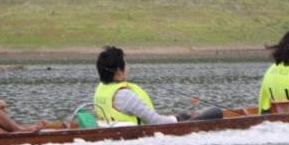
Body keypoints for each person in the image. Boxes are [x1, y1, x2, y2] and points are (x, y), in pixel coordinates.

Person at [93, 46, 221, 125]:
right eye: (126, 65)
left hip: (115, 127)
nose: (128, 68)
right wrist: (176, 119)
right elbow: (155, 122)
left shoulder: (100, 90)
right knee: (216, 112)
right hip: (134, 132)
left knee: (185, 115)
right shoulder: (125, 96)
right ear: (119, 72)